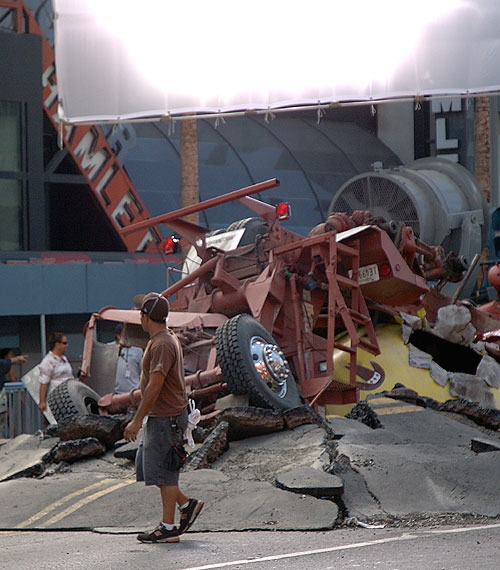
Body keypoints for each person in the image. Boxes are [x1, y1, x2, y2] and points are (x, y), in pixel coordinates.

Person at [124, 292, 203, 544]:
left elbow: (155, 385)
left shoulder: (161, 344)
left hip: (165, 417)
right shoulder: (164, 338)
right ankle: (187, 504)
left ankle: (168, 528)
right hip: (164, 415)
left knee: (165, 474)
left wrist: (137, 419)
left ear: (144, 316)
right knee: (153, 470)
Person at [38, 332, 74, 412]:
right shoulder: (48, 361)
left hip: (68, 398)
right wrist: (42, 401)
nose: (67, 345)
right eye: (64, 343)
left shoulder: (64, 359)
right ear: (57, 344)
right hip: (55, 399)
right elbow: (44, 382)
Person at [113, 324, 143, 394]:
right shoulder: (110, 348)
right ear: (118, 336)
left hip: (133, 391)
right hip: (115, 391)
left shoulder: (138, 349)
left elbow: (142, 370)